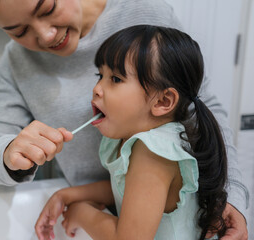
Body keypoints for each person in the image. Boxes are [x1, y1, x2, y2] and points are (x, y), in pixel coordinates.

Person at [0, 0, 248, 238]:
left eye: (48, 8)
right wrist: (10, 153)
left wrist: (231, 193)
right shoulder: (15, 61)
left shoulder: (151, 150)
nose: (45, 36)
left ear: (164, 101)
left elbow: (204, 104)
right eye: (19, 31)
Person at [35, 25, 230, 240]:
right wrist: (68, 195)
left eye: (116, 79)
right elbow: (127, 191)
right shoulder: (134, 140)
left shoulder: (154, 152)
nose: (97, 88)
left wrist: (80, 213)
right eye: (100, 75)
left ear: (163, 101)